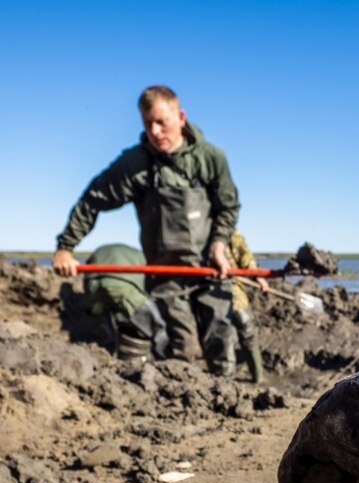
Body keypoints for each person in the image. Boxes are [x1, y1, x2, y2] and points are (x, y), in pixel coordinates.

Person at [52, 85, 240, 376]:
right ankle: (180, 406)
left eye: (161, 122)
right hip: (166, 273)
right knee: (182, 344)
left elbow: (228, 207)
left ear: (180, 117)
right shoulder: (136, 164)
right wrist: (66, 247)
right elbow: (92, 200)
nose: (154, 131)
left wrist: (219, 244)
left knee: (221, 338)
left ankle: (229, 404)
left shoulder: (211, 158)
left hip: (209, 269)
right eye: (147, 123)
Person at [83, 243, 168, 361]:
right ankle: (165, 359)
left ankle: (104, 355)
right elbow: (150, 286)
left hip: (93, 286)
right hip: (123, 286)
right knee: (158, 325)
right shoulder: (143, 256)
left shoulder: (102, 250)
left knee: (105, 327)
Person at [226, 231, 269, 383]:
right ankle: (225, 382)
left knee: (247, 331)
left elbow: (245, 256)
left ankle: (258, 378)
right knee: (224, 336)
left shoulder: (228, 231)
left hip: (233, 288)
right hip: (208, 289)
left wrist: (258, 277)